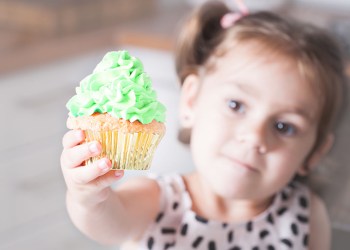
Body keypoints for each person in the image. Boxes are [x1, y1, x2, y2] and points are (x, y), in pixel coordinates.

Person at [60, 1, 347, 249]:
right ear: (191, 101)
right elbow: (107, 223)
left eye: (284, 127)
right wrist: (87, 197)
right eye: (236, 105)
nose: (254, 137)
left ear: (316, 152)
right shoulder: (156, 200)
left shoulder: (307, 213)